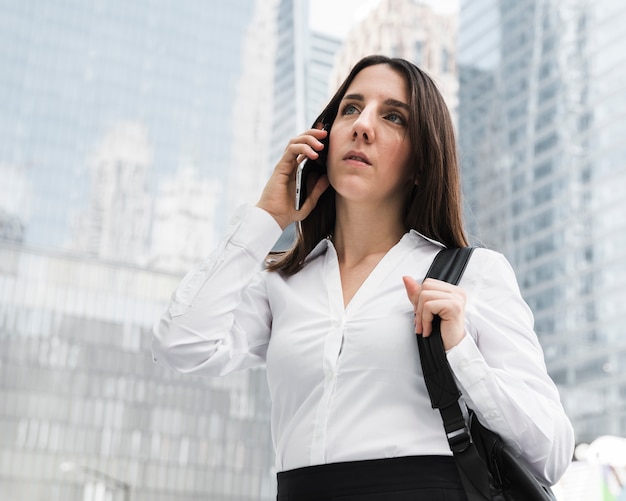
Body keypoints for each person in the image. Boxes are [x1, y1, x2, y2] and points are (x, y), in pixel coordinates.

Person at [152, 55, 574, 500]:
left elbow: (551, 451)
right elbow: (180, 345)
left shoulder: (473, 274)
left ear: (420, 161)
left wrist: (461, 349)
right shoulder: (282, 283)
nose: (362, 125)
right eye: (350, 109)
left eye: (393, 117)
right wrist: (267, 219)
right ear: (323, 138)